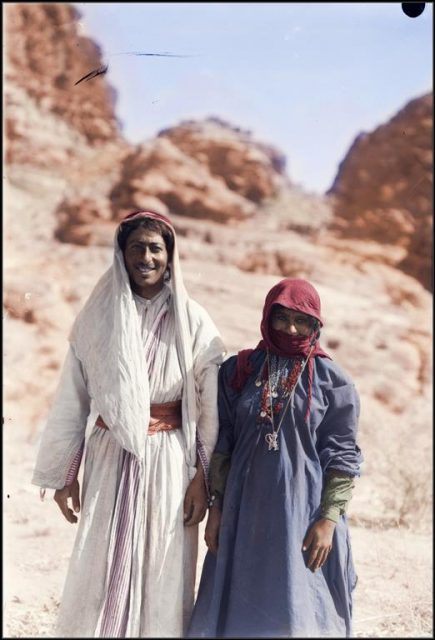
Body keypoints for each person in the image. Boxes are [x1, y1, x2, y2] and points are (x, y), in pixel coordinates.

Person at [31, 210, 225, 638]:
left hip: (169, 462)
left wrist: (202, 481)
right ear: (120, 254)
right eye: (136, 247)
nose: (146, 257)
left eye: (156, 248)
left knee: (163, 566)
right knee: (101, 564)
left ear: (170, 257)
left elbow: (210, 407)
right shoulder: (97, 318)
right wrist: (65, 477)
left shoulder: (193, 320)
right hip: (110, 455)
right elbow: (73, 399)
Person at [188, 278, 363, 638]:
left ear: (317, 325)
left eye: (303, 321)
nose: (292, 328)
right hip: (243, 507)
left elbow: (343, 457)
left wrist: (328, 520)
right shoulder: (240, 370)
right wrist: (218, 507)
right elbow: (225, 444)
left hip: (302, 511)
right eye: (282, 318)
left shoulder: (333, 381)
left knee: (296, 603)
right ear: (267, 317)